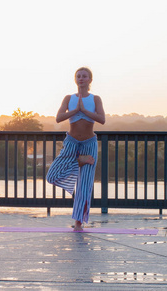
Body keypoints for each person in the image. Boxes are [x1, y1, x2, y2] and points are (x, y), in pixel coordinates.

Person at [46, 67, 105, 231]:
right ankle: (77, 162)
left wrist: (84, 110)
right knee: (52, 175)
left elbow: (102, 119)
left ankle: (78, 222)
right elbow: (58, 118)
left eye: (84, 76)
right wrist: (76, 110)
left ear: (90, 80)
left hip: (89, 143)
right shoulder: (68, 98)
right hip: (71, 142)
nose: (81, 78)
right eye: (78, 76)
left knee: (84, 186)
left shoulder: (95, 99)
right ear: (75, 79)